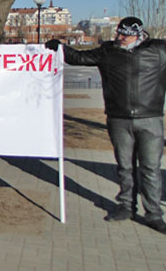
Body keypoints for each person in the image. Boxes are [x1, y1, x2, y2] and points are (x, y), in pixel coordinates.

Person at [46, 17, 166, 234]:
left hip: (150, 119)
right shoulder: (108, 52)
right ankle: (126, 207)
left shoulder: (158, 51)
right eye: (119, 32)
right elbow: (79, 58)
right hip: (118, 119)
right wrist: (60, 48)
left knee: (150, 168)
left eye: (125, 34)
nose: (119, 37)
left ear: (138, 35)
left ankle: (154, 215)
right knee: (125, 166)